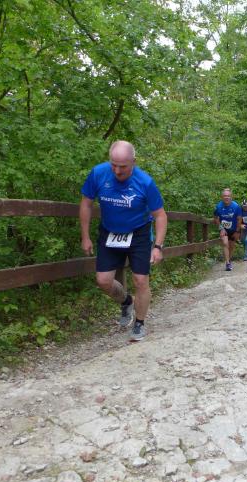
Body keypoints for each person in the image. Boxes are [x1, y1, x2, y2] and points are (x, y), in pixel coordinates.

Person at [79, 140, 167, 342]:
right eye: (114, 165)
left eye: (123, 167)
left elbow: (160, 215)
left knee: (141, 280)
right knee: (103, 281)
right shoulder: (98, 173)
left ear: (133, 162)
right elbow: (86, 204)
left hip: (138, 233)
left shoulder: (145, 182)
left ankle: (139, 323)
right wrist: (85, 236)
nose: (117, 171)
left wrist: (158, 246)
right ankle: (126, 301)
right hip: (110, 231)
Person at [213, 188, 242, 271]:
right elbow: (216, 218)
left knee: (231, 246)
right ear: (222, 197)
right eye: (225, 196)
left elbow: (239, 219)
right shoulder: (218, 206)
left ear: (231, 197)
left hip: (234, 229)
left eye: (228, 196)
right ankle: (228, 263)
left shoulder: (236, 206)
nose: (226, 197)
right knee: (225, 243)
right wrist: (221, 228)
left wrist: (237, 231)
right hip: (224, 229)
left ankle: (229, 260)